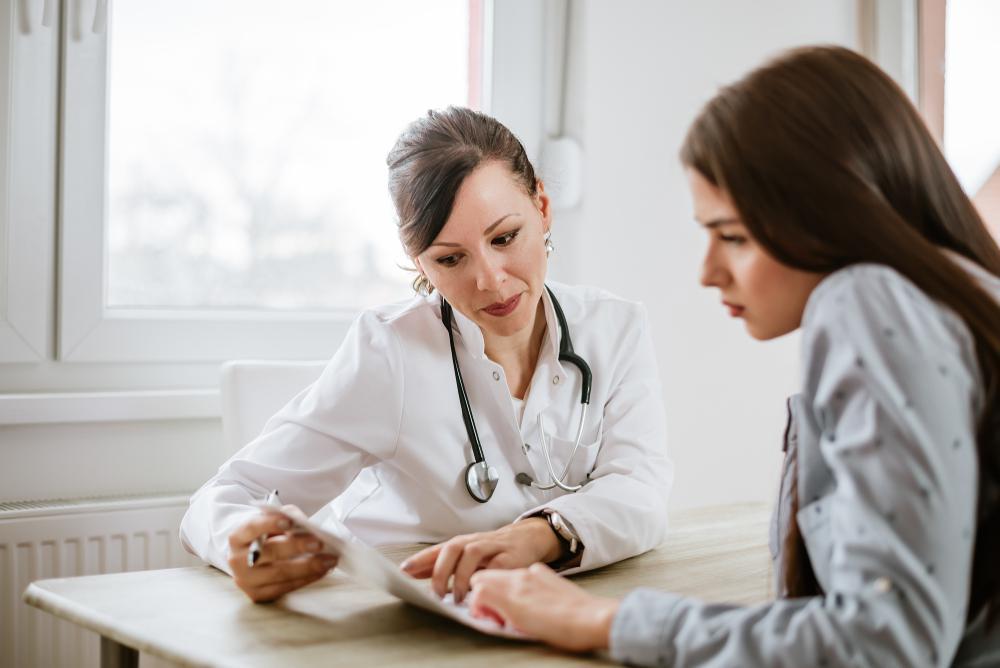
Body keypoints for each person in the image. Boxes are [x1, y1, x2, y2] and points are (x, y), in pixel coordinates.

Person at [464, 46, 1000, 667]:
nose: (708, 272)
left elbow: (884, 643)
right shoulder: (965, 293)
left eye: (733, 236)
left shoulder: (866, 300)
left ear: (836, 213)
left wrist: (606, 620)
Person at [180, 106, 673, 605]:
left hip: (544, 615)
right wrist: (241, 545)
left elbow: (642, 490)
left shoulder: (615, 328)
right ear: (418, 260)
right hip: (396, 618)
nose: (490, 279)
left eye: (505, 237)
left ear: (542, 206)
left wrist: (541, 535)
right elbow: (222, 498)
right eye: (449, 258)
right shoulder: (389, 351)